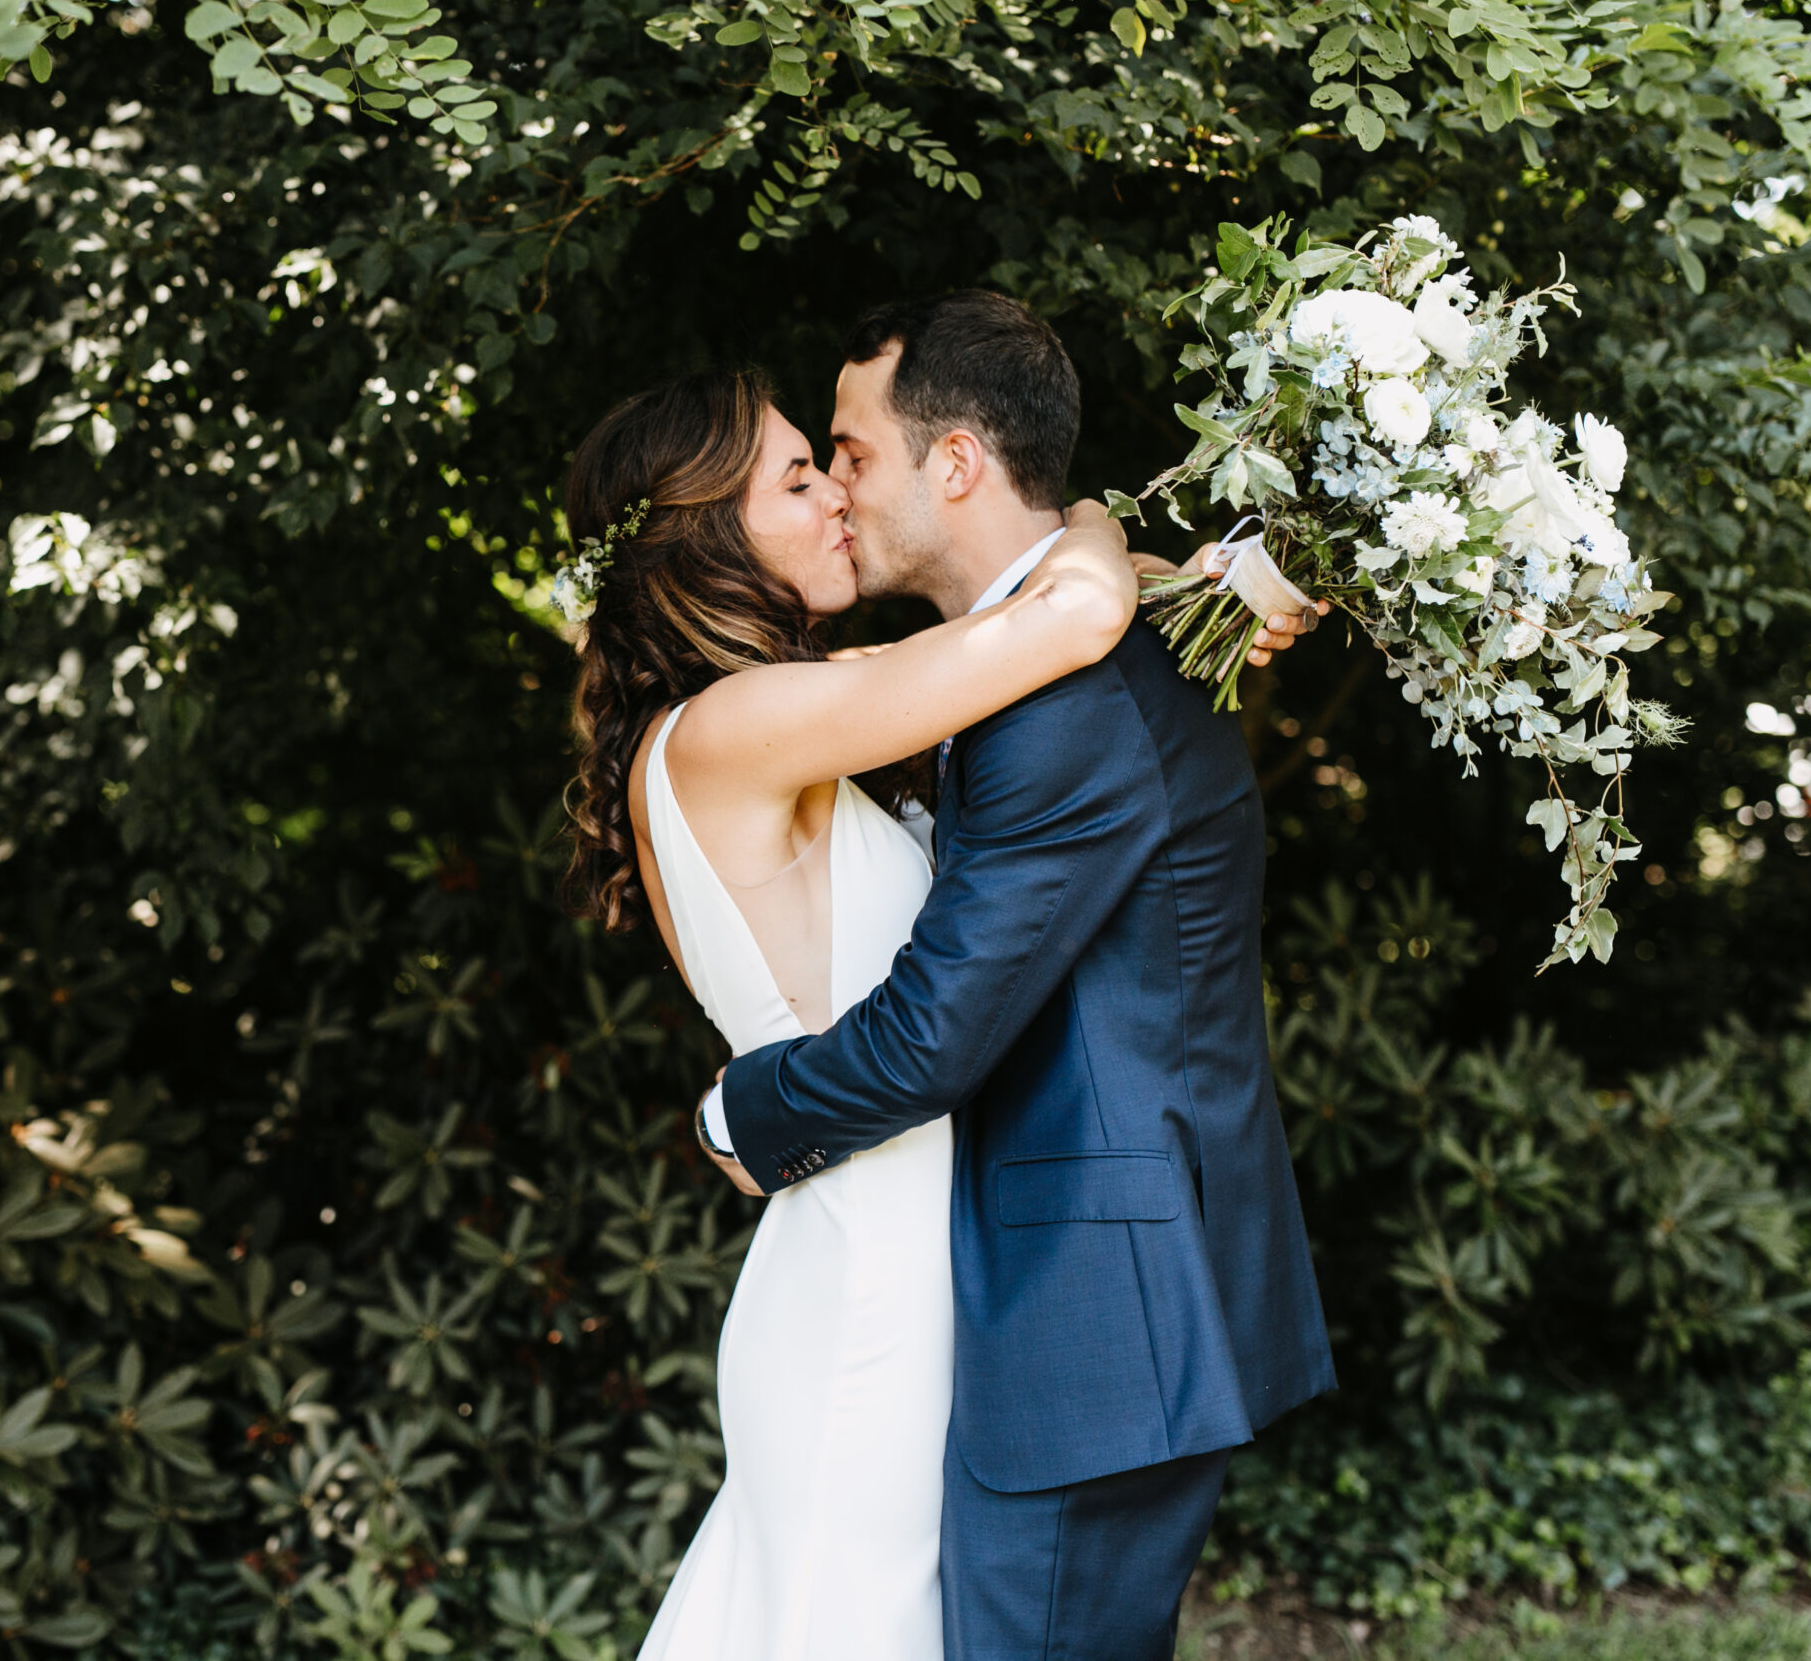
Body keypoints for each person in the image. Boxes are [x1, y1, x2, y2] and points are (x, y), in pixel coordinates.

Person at [559, 298, 1329, 1661]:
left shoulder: (818, 708)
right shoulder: (740, 726)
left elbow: (1050, 629)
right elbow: (1069, 612)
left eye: (837, 456)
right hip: (878, 1278)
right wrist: (1097, 544)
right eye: (805, 474)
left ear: (954, 460)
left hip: (942, 1267)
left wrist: (1124, 555)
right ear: (707, 530)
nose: (839, 491)